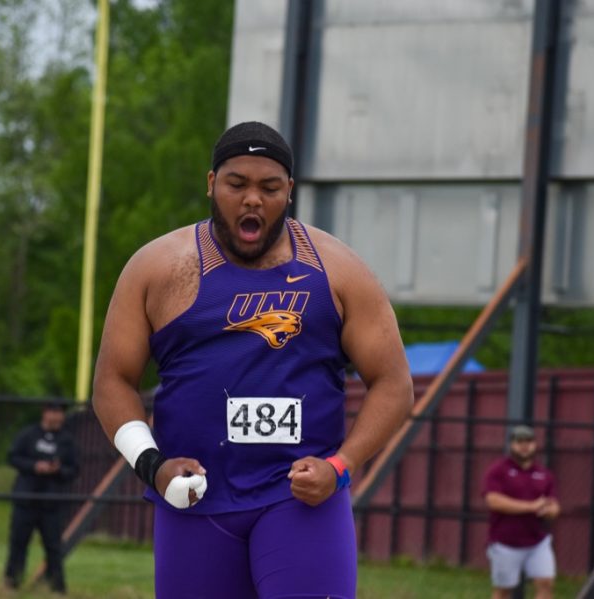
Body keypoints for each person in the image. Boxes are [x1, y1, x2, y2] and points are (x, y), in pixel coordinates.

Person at [91, 121, 414, 599]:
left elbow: (394, 385)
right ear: (211, 184)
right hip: (196, 500)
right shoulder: (158, 267)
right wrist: (152, 464)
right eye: (236, 184)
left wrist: (341, 467)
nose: (252, 201)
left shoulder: (338, 270)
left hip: (301, 501)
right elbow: (112, 383)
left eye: (269, 187)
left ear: (290, 192)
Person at [4, 402, 79, 594]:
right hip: (26, 499)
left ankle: (57, 589)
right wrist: (35, 466)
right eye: (53, 412)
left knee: (54, 548)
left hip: (51, 503)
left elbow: (74, 469)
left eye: (60, 413)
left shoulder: (67, 441)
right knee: (18, 543)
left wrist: (58, 470)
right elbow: (13, 457)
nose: (57, 416)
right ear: (45, 414)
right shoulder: (28, 435)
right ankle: (12, 584)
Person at [483, 425, 560, 599]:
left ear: (535, 444)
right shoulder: (498, 470)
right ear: (511, 445)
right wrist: (532, 506)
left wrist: (550, 511)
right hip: (505, 542)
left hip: (537, 541)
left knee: (546, 583)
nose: (524, 446)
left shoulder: (544, 474)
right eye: (519, 442)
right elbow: (493, 501)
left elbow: (553, 505)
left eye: (528, 441)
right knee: (504, 591)